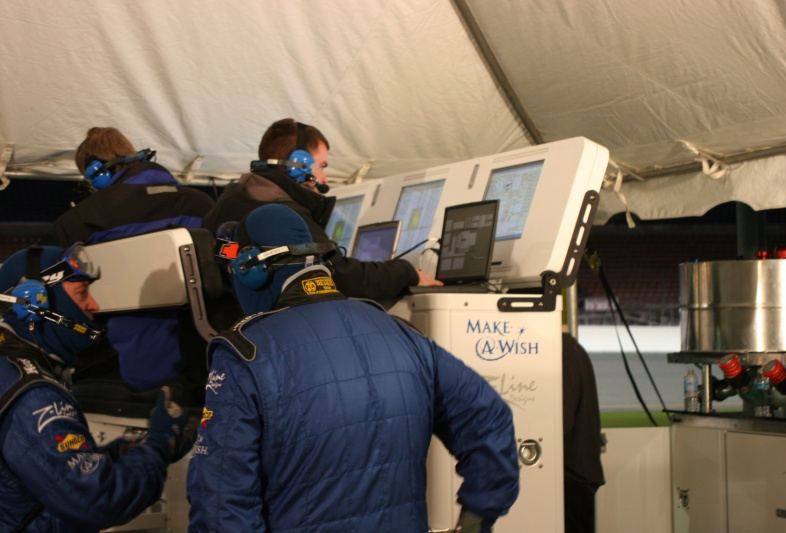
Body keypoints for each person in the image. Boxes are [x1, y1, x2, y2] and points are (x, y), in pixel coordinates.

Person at [186, 204, 519, 532]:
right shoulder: (404, 335)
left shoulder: (244, 355)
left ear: (252, 270)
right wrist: (477, 520)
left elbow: (220, 504)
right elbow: (489, 418)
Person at [0, 244, 192, 532]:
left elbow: (39, 472)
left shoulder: (10, 369)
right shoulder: (34, 396)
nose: (93, 306)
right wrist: (159, 446)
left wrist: (117, 454)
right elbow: (98, 500)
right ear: (33, 305)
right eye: (82, 294)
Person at [37, 127, 215, 401]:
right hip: (208, 360)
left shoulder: (88, 215)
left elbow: (44, 274)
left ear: (96, 171)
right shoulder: (202, 203)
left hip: (134, 368)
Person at [201, 118, 442, 311]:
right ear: (300, 164)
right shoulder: (282, 213)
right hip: (270, 330)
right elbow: (338, 276)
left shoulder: (230, 202)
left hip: (232, 322)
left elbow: (227, 254)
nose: (324, 178)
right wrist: (407, 273)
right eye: (322, 166)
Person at [562, 332, 606, 533]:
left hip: (571, 477)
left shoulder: (562, 352)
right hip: (575, 475)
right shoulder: (568, 349)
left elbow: (561, 420)